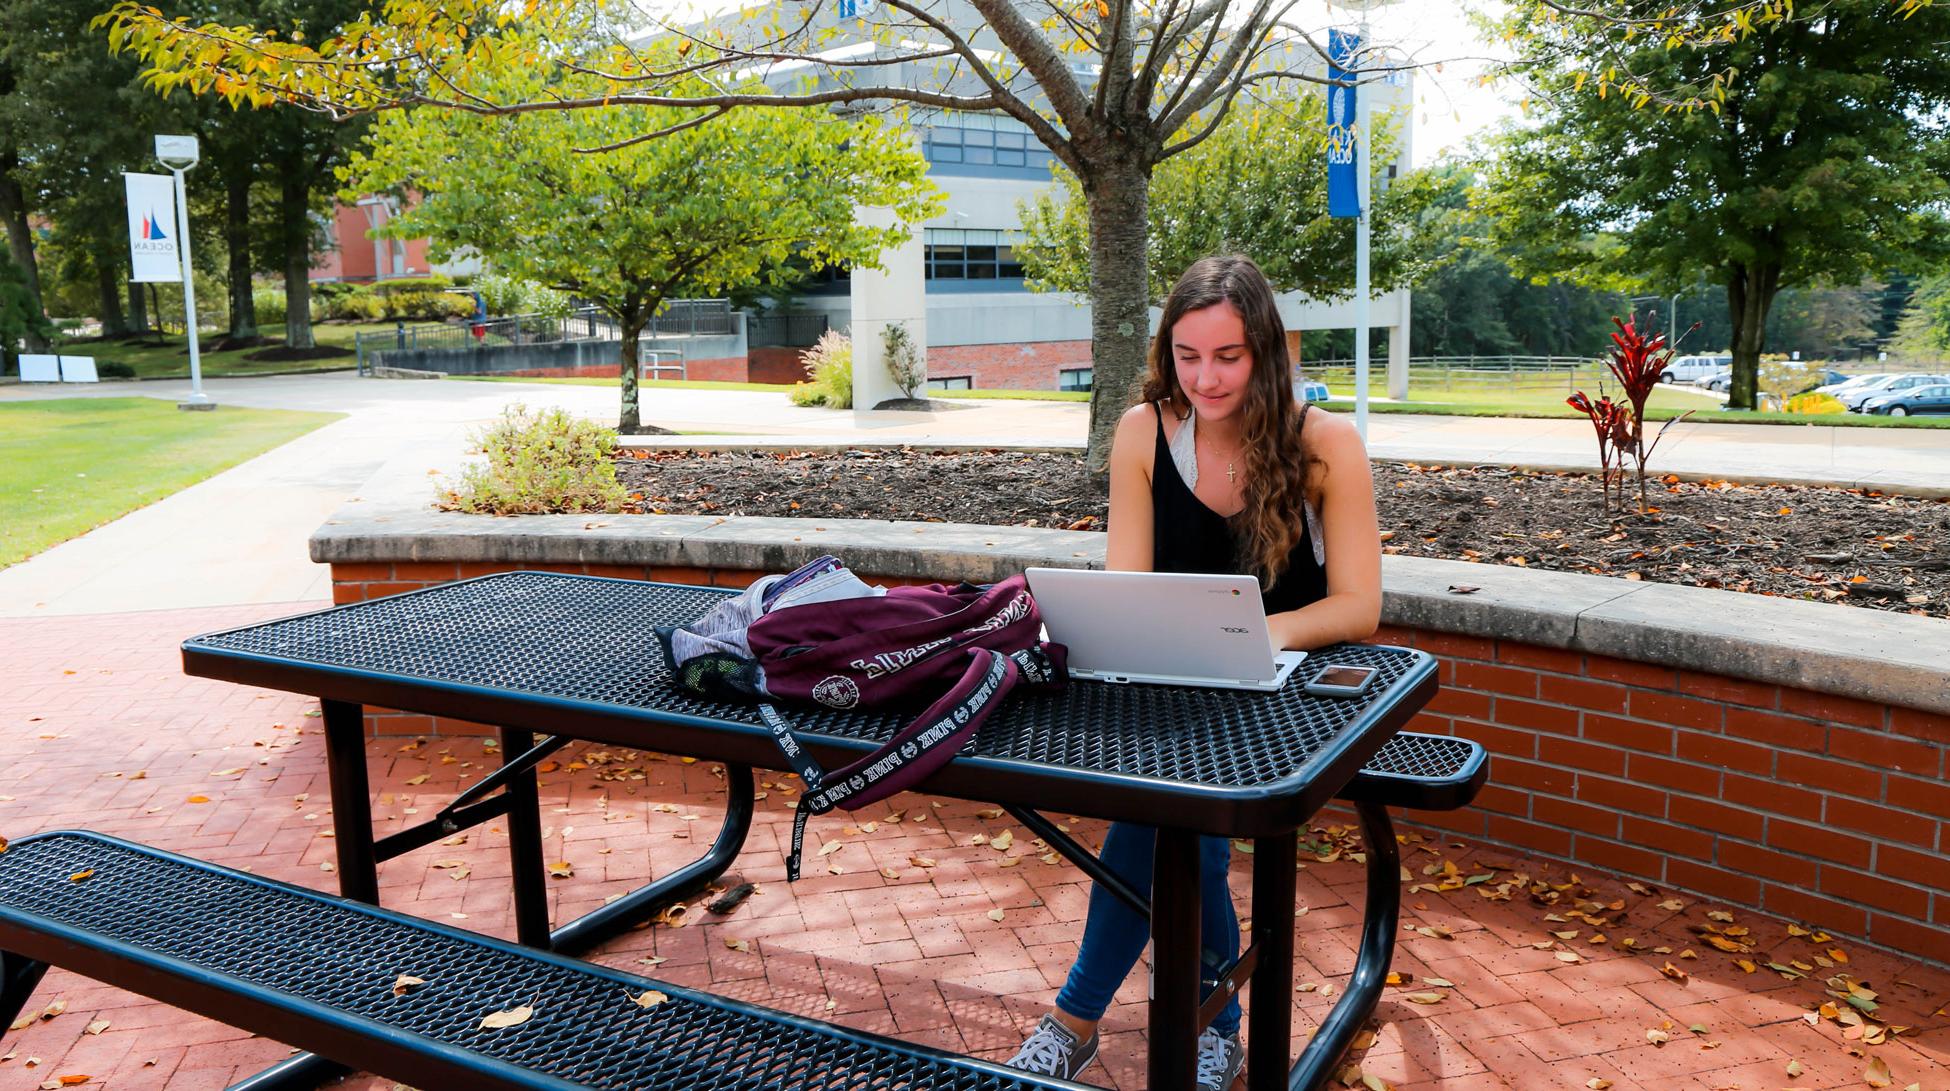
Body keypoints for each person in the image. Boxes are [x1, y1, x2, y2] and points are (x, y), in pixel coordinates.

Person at [1006, 255, 1383, 1089]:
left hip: (1287, 696)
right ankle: (1215, 1024)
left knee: (1165, 817)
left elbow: (1359, 606)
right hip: (1176, 690)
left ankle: (1076, 1019)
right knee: (1173, 818)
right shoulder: (1145, 431)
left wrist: (1243, 635)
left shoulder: (1326, 444)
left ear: (1269, 352)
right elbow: (1127, 587)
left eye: (1229, 356)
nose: (1205, 378)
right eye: (1187, 355)